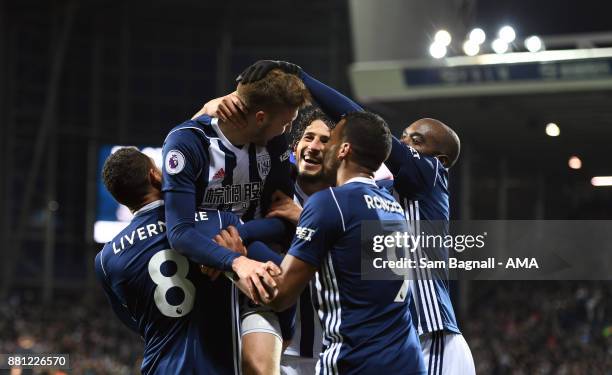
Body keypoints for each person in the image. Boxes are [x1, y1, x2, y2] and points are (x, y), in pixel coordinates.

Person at [233, 60, 474, 374]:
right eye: (403, 137)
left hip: (433, 336)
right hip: (399, 341)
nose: (403, 145)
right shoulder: (381, 195)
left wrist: (302, 77)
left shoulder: (431, 176)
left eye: (415, 141)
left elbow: (360, 123)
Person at [240, 111, 426, 374]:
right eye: (309, 138)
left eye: (330, 140)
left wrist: (234, 259)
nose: (319, 148)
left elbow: (280, 295)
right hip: (404, 358)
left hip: (352, 358)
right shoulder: (392, 206)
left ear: (343, 149)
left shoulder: (331, 203)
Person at [162, 65, 309, 375]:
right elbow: (178, 231)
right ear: (260, 118)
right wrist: (232, 260)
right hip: (203, 269)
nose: (288, 130)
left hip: (249, 258)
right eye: (287, 122)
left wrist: (237, 233)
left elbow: (281, 218)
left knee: (259, 363)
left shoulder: (275, 144)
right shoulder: (188, 142)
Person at [94, 147, 283, 374]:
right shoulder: (218, 221)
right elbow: (279, 278)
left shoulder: (106, 259)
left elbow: (134, 322)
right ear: (155, 176)